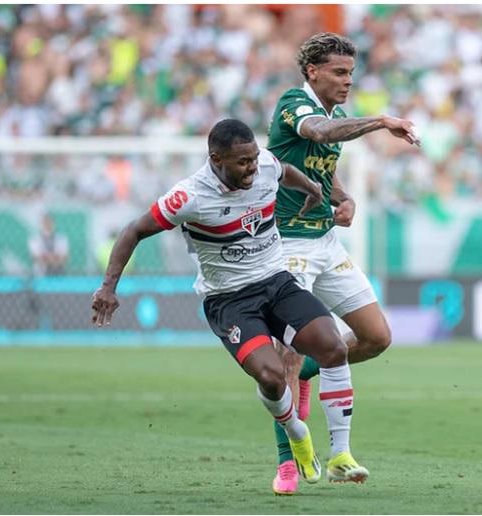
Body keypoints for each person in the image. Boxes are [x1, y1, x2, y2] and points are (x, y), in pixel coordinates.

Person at [91, 118, 363, 490]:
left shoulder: (263, 165)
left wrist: (315, 190)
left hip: (277, 282)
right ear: (216, 159)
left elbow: (283, 170)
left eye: (253, 158)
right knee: (270, 375)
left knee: (332, 346)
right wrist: (109, 286)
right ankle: (297, 433)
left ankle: (341, 456)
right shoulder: (189, 196)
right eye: (242, 162)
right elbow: (134, 230)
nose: (252, 167)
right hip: (230, 300)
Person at [265, 32, 420, 495]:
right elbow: (318, 134)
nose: (347, 81)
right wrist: (380, 122)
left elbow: (319, 169)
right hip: (284, 245)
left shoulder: (334, 114)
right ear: (313, 71)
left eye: (351, 72)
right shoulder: (295, 104)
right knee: (285, 357)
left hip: (325, 243)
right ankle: (288, 464)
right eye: (339, 72)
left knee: (376, 337)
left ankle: (314, 371)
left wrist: (345, 198)